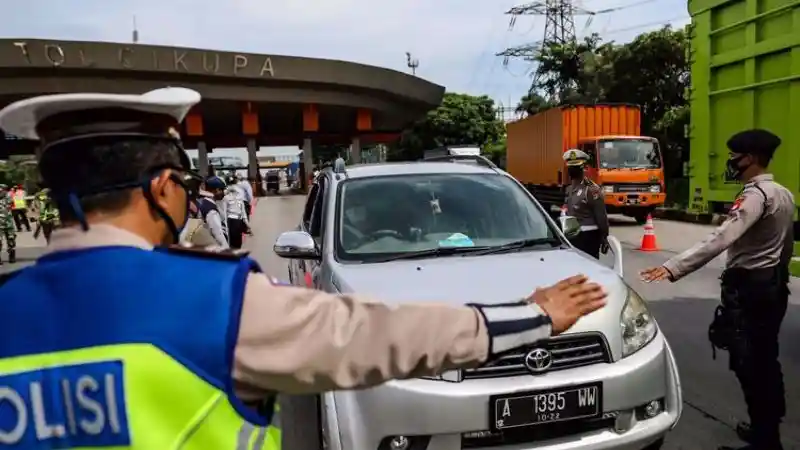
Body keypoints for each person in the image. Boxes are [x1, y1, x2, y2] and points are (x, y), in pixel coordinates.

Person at [0, 87, 607, 449]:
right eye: (183, 183)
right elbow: (382, 334)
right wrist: (534, 315)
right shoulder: (214, 301)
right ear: (162, 189)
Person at [641, 129, 792, 450]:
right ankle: (767, 428)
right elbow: (787, 246)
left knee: (750, 363)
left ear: (749, 159)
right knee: (766, 360)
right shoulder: (783, 193)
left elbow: (721, 238)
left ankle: (766, 442)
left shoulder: (755, 196)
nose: (731, 162)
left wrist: (673, 267)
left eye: (734, 157)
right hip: (772, 287)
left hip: (751, 290)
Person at [563, 149, 610, 259]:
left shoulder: (591, 190)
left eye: (576, 167)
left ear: (583, 168)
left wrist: (605, 238)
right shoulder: (569, 189)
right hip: (572, 236)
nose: (572, 171)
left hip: (588, 237)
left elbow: (601, 217)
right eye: (570, 168)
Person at [197, 176, 230, 248]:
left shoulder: (205, 203)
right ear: (216, 190)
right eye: (221, 190)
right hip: (215, 246)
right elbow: (218, 234)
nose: (223, 193)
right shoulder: (211, 210)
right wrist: (227, 250)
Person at [222, 182, 251, 249]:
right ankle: (233, 255)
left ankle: (236, 254)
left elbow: (243, 214)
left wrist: (248, 225)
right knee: (232, 241)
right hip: (231, 220)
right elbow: (224, 212)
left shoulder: (240, 199)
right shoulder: (226, 198)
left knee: (238, 242)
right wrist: (226, 226)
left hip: (239, 221)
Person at [0, 183, 16, 264]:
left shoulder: (9, 198)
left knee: (11, 239)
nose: (3, 192)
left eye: (4, 190)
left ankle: (12, 256)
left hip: (9, 223)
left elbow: (12, 206)